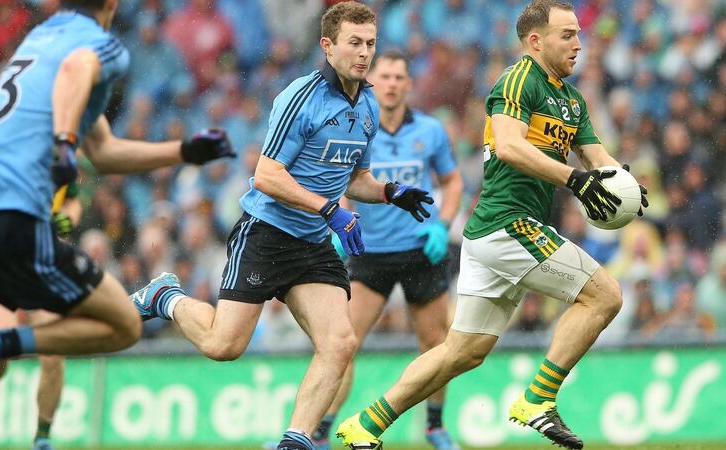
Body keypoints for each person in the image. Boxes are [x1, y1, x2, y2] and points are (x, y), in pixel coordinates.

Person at [334, 1, 649, 449]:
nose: (579, 44)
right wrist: (574, 179)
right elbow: (507, 146)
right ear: (535, 41)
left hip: (496, 234)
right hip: (508, 224)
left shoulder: (572, 101)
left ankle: (364, 426)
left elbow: (597, 158)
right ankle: (539, 399)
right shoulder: (519, 80)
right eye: (567, 35)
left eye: (579, 34)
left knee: (460, 353)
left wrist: (626, 185)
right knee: (604, 295)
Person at [129, 3, 433, 450]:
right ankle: (164, 296)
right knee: (224, 346)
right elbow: (268, 175)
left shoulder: (367, 102)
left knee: (341, 341)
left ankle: (295, 440)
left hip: (311, 243)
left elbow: (355, 177)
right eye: (355, 42)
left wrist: (391, 192)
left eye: (370, 42)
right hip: (267, 233)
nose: (365, 52)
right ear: (327, 46)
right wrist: (329, 210)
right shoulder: (301, 96)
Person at [0, 0, 233, 427]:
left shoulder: (40, 38)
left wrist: (183, 151)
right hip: (8, 225)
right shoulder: (103, 44)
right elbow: (78, 68)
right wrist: (65, 143)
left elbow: (103, 151)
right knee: (125, 324)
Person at [315, 50, 463, 450]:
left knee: (436, 345)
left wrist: (443, 227)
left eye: (400, 76)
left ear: (409, 84)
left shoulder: (430, 131)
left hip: (421, 250)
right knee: (343, 343)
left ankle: (434, 426)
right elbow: (340, 180)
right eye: (387, 76)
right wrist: (339, 219)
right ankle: (321, 432)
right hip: (369, 253)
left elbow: (452, 182)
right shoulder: (356, 127)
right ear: (372, 82)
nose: (394, 82)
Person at [0, 184, 83, 450]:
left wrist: (66, 220)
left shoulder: (60, 156)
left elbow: (73, 201)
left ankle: (42, 439)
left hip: (45, 271)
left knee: (54, 355)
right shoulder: (6, 158)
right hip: (4, 268)